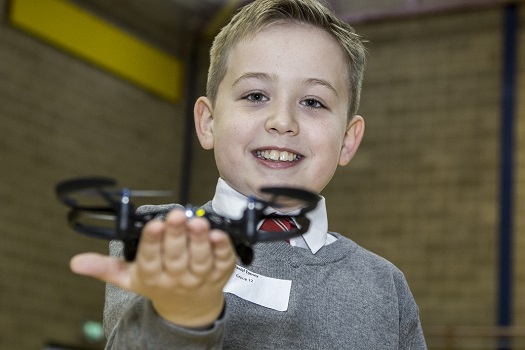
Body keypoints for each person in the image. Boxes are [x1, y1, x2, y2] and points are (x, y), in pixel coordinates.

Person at [70, 0, 427, 348]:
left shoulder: (385, 286)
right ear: (209, 123)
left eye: (313, 102)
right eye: (256, 95)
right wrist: (181, 317)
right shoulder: (161, 236)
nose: (282, 122)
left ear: (348, 141)